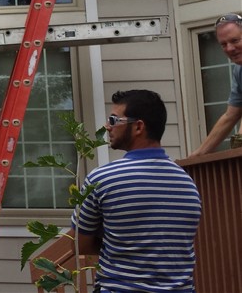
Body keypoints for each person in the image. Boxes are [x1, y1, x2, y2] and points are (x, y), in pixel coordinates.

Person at [73, 89, 201, 292]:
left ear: (138, 127)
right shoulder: (187, 183)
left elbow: (80, 244)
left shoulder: (101, 179)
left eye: (114, 120)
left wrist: (119, 245)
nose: (107, 126)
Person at [190, 12, 242, 156]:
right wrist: (198, 154)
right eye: (223, 44)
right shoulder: (239, 70)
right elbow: (230, 116)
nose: (230, 48)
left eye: (235, 40)